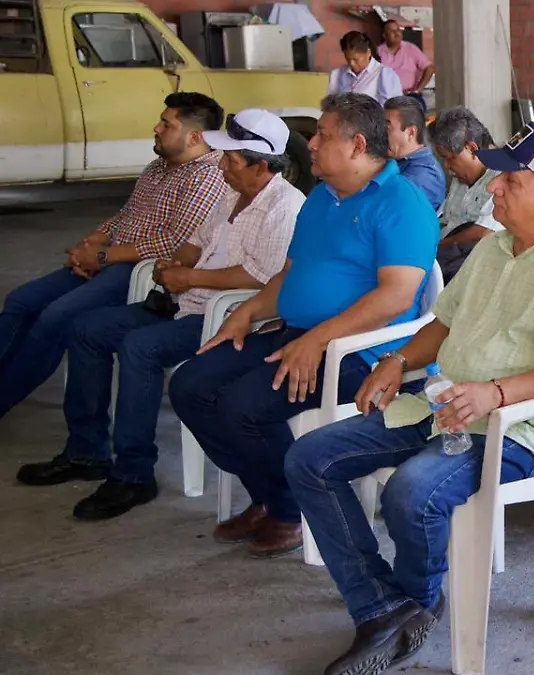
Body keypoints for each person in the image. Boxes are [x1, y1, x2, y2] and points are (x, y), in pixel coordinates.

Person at [284, 121, 534, 674]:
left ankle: (413, 603)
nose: (493, 189)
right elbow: (442, 321)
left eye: (509, 181)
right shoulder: (495, 249)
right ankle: (386, 607)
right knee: (310, 459)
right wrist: (396, 362)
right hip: (442, 408)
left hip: (512, 431)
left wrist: (496, 393)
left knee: (412, 494)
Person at [167, 94, 439, 559]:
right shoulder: (321, 198)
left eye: (323, 135)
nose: (309, 145)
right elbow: (290, 274)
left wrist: (318, 339)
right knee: (191, 383)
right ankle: (270, 492)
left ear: (356, 145)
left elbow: (394, 297)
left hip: (361, 353)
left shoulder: (402, 203)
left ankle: (288, 510)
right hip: (299, 334)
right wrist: (247, 312)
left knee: (241, 405)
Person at [15, 110, 305, 520]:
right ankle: (86, 451)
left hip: (225, 318)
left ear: (260, 164)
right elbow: (194, 240)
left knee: (140, 348)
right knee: (86, 329)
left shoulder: (286, 206)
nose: (221, 165)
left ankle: (133, 473)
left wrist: (191, 275)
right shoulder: (229, 195)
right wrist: (173, 265)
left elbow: (261, 278)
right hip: (183, 304)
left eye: (231, 159)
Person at [0, 92, 226, 422]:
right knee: (21, 301)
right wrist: (92, 243)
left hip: (138, 271)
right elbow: (125, 216)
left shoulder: (206, 176)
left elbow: (175, 244)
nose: (156, 128)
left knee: (55, 318)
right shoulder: (157, 167)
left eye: (166, 123)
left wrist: (103, 256)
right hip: (109, 258)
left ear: (194, 136)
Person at [429, 107, 502, 281]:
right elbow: (446, 219)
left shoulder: (503, 178)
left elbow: (483, 232)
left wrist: (434, 248)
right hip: (445, 260)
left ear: (471, 148)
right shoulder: (460, 176)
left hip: (469, 269)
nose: (447, 166)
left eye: (450, 158)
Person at [383, 95, 445, 211]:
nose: (380, 134)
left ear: (411, 132)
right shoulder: (396, 161)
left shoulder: (424, 176)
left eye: (387, 128)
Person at [327, 31, 403, 106]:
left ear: (368, 53)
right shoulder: (337, 74)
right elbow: (331, 105)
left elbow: (394, 108)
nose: (351, 63)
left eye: (356, 59)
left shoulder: (385, 75)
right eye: (347, 59)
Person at [377, 20, 434, 111]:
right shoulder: (378, 52)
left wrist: (418, 89)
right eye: (392, 31)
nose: (397, 33)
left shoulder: (411, 49)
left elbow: (429, 68)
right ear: (384, 35)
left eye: (398, 30)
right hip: (386, 96)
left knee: (417, 111)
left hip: (409, 95)